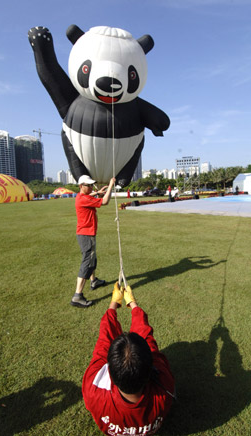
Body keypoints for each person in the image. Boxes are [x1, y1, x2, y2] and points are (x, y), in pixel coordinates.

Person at [82, 284, 175, 435]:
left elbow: (103, 342)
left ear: (110, 371)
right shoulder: (165, 388)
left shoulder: (93, 390)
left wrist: (114, 303)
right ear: (150, 369)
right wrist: (133, 304)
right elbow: (147, 338)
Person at [70, 175, 116, 308]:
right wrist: (111, 185)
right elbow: (105, 201)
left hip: (86, 234)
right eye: (88, 185)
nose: (90, 187)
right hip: (86, 234)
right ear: (80, 186)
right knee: (87, 262)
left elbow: (91, 195)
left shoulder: (81, 196)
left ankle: (94, 281)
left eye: (91, 185)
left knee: (92, 259)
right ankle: (77, 296)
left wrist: (97, 192)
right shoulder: (84, 199)